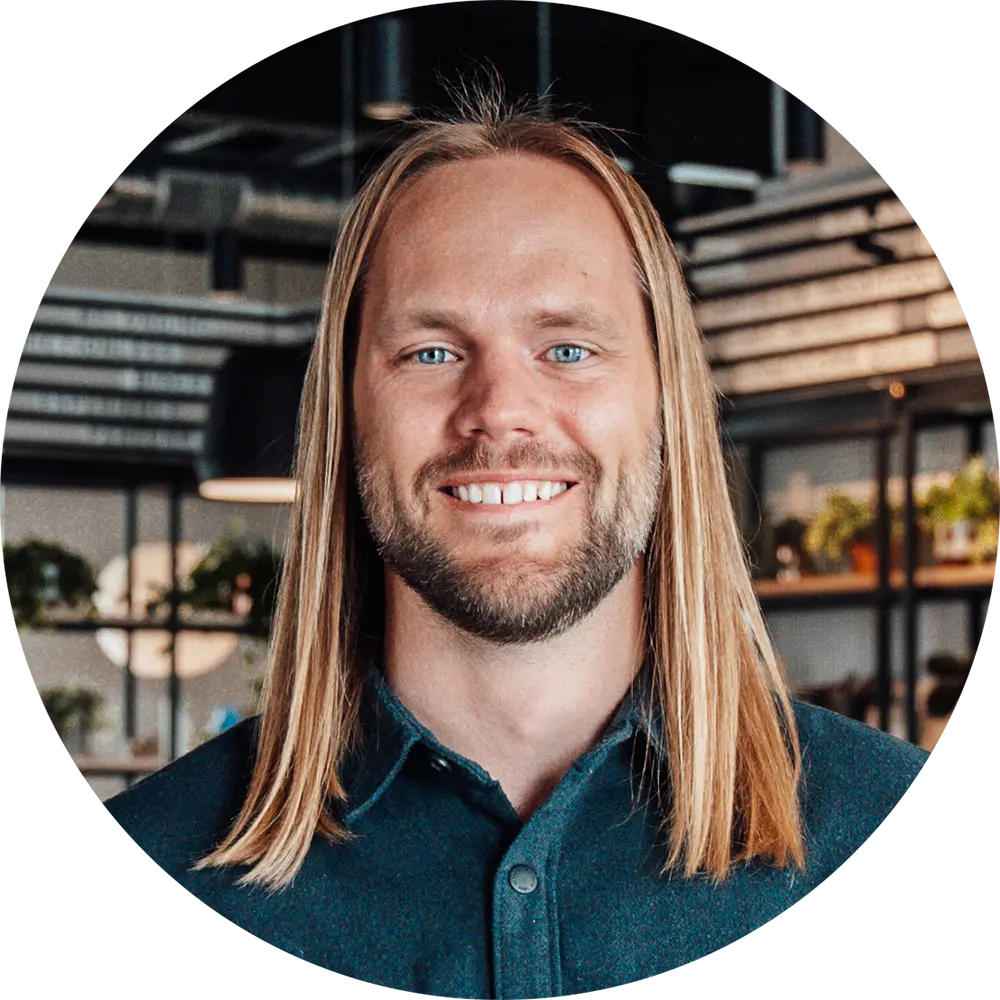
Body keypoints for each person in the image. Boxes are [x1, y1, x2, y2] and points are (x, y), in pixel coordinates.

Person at [103, 86, 932, 999]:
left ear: (666, 403)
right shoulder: (140, 878)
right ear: (349, 415)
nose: (498, 409)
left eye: (567, 348)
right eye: (431, 352)